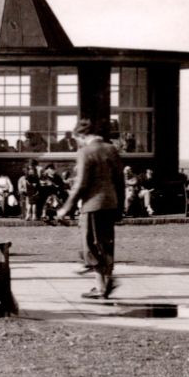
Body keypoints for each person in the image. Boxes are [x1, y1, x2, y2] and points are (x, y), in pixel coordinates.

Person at [59, 118, 126, 299]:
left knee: (91, 245)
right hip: (111, 203)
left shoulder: (84, 152)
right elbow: (120, 181)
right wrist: (121, 205)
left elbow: (81, 184)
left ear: (81, 136)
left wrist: (65, 208)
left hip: (92, 204)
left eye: (76, 139)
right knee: (106, 243)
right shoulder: (111, 149)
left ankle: (100, 287)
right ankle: (107, 279)